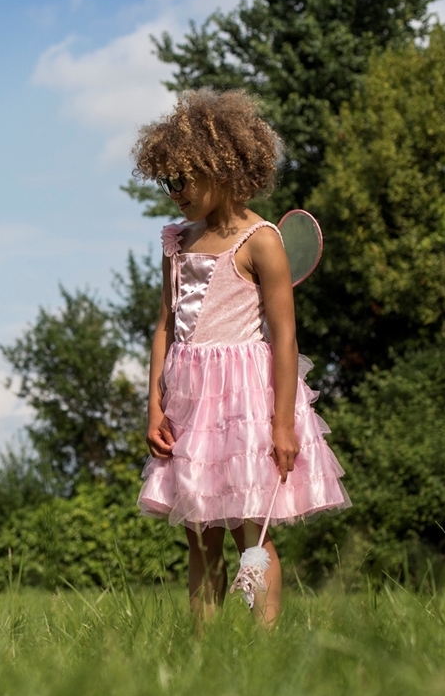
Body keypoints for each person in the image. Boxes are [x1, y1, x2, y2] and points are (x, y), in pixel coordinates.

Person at [133, 90, 350, 628]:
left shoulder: (262, 241)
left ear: (222, 168)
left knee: (253, 532)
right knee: (200, 539)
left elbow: (285, 336)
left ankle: (264, 649)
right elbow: (164, 324)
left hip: (244, 405)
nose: (175, 192)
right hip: (187, 403)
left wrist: (282, 424)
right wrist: (154, 407)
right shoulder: (176, 241)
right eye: (168, 181)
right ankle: (202, 654)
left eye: (184, 179)